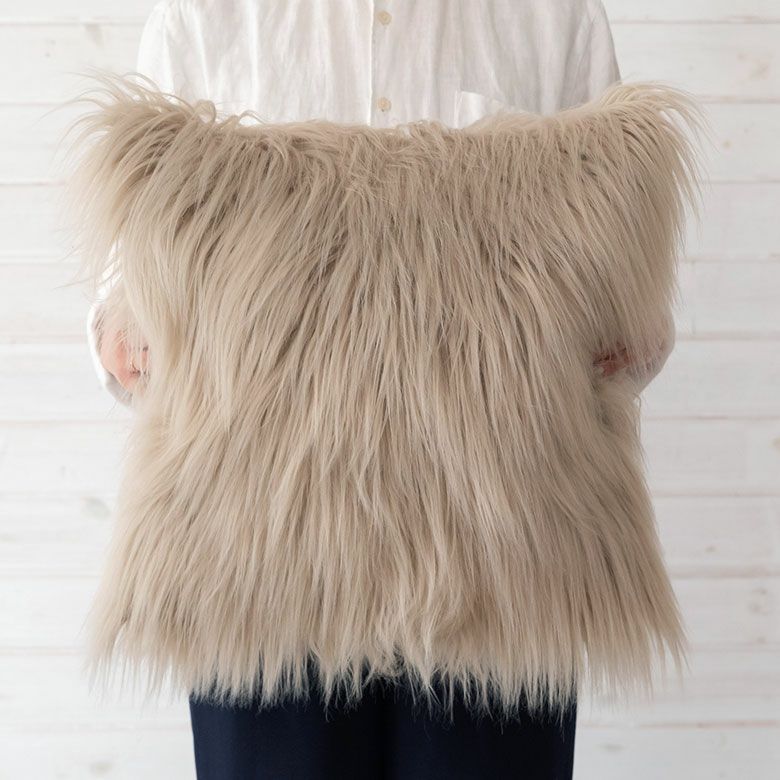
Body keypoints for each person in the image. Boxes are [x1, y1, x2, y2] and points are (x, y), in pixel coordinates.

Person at [84, 1, 675, 777]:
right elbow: (125, 308)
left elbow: (621, 296)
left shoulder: (551, 16)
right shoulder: (205, 18)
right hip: (261, 564)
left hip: (500, 564)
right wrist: (135, 336)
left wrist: (616, 328)